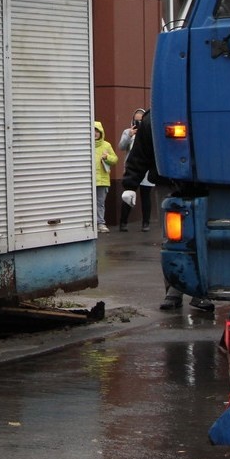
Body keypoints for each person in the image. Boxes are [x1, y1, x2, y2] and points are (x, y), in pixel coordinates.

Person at [121, 110, 214, 312]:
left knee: (201, 238)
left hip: (202, 185)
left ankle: (200, 290)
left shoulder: (197, 110)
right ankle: (174, 289)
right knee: (173, 239)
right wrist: (130, 184)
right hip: (169, 185)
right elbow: (141, 152)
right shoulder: (153, 119)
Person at [118, 108, 153, 231]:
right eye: (136, 120)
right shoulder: (128, 132)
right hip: (133, 170)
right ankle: (123, 222)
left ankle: (146, 223)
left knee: (146, 197)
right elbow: (121, 146)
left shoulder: (149, 130)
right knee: (128, 196)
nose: (138, 123)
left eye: (140, 121)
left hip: (147, 171)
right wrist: (129, 135)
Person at [94, 121, 118, 234]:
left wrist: (107, 157)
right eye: (93, 130)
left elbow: (115, 159)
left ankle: (100, 223)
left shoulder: (106, 145)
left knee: (100, 203)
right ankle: (91, 223)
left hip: (103, 180)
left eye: (97, 131)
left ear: (101, 132)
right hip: (89, 181)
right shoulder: (86, 144)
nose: (95, 133)